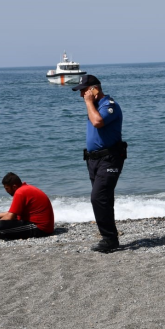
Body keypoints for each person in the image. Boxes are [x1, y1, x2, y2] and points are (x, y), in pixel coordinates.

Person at [73, 74, 127, 253]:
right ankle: (110, 237)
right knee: (104, 199)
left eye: (84, 91)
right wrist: (90, 103)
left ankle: (109, 238)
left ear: (94, 89)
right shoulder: (94, 106)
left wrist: (89, 102)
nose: (82, 95)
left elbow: (98, 122)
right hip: (93, 160)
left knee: (98, 197)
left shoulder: (109, 106)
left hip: (109, 158)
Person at [0, 172, 54, 240]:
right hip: (37, 224)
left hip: (41, 228)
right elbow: (13, 212)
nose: (6, 191)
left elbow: (10, 216)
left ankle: (0, 234)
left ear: (14, 186)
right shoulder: (25, 188)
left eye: (7, 188)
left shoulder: (20, 192)